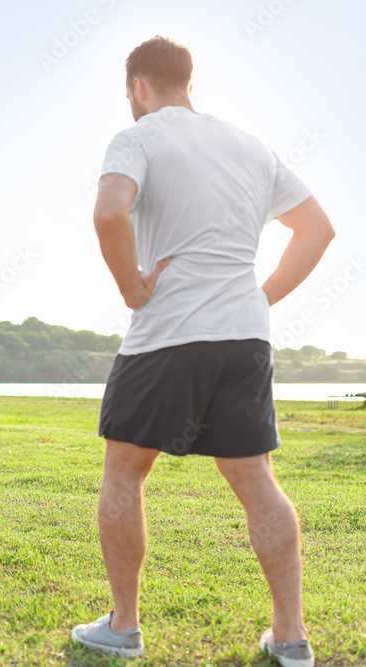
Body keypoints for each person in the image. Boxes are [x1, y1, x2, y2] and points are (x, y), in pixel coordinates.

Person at [71, 36, 334, 667]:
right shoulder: (250, 144)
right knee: (255, 478)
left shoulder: (136, 137)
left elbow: (109, 214)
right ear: (190, 82)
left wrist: (133, 287)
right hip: (243, 337)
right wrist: (259, 297)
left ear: (138, 86)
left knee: (124, 472)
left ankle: (124, 626)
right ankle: (292, 638)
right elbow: (317, 229)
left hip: (167, 335)